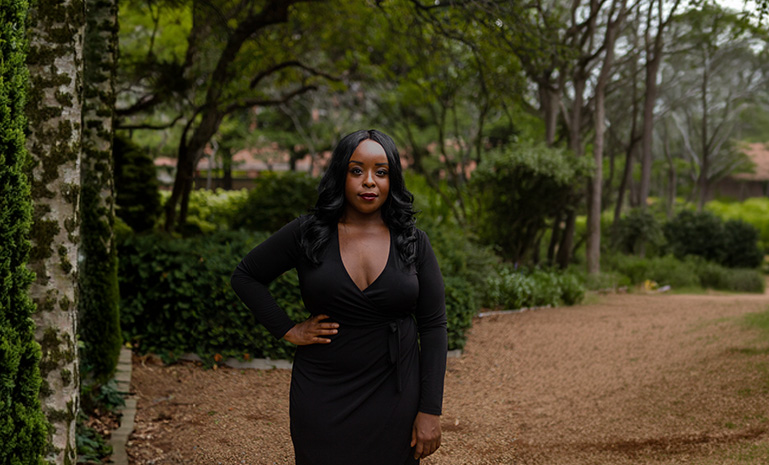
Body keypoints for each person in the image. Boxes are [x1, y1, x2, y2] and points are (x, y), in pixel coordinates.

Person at [231, 129, 447, 464]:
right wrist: (287, 329)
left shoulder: (414, 243)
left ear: (393, 179)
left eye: (381, 171)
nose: (369, 181)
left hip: (395, 394)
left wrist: (430, 410)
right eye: (357, 170)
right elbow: (246, 276)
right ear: (340, 175)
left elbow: (433, 327)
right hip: (322, 393)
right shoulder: (309, 233)